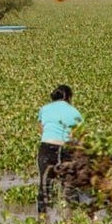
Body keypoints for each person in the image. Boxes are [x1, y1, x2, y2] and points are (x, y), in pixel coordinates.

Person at [36, 85, 83, 214]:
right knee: (70, 186)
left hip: (46, 148)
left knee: (45, 186)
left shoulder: (44, 109)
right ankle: (72, 221)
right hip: (66, 150)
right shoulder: (74, 112)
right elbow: (78, 135)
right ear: (68, 97)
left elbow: (41, 128)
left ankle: (42, 219)